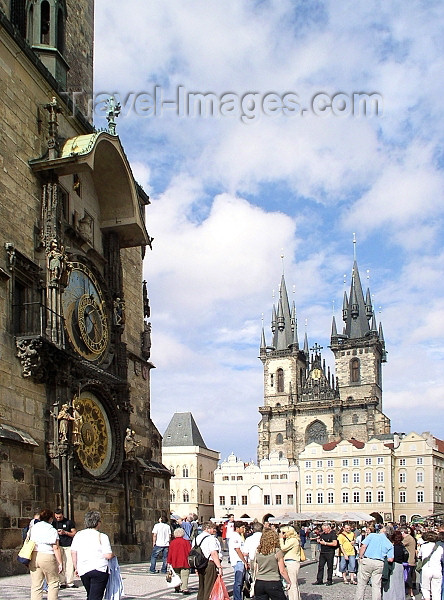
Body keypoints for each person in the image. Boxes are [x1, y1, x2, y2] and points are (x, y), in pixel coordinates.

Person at [71, 510, 113, 600]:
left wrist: (76, 567)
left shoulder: (78, 535)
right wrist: (113, 555)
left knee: (90, 594)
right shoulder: (102, 536)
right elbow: (108, 555)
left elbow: (74, 552)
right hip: (99, 568)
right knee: (96, 596)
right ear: (98, 523)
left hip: (83, 568)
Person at [29, 509, 63, 600]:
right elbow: (56, 547)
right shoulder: (51, 529)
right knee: (53, 582)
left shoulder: (34, 527)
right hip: (47, 555)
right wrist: (60, 563)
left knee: (36, 585)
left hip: (34, 555)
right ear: (50, 519)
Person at [355, 527, 394, 600]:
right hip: (379, 563)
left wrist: (360, 557)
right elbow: (390, 559)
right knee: (376, 586)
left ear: (383, 530)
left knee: (361, 584)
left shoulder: (372, 535)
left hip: (368, 560)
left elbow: (363, 546)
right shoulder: (389, 544)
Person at [254, 528, 291, 600]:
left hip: (259, 582)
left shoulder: (258, 551)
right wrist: (288, 581)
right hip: (273, 581)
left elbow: (256, 568)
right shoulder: (276, 551)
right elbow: (282, 570)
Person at [194, 521, 223, 600]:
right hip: (209, 564)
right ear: (207, 529)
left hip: (199, 563)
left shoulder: (196, 538)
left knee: (202, 586)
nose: (215, 530)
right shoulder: (211, 538)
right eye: (213, 528)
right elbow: (213, 553)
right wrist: (219, 567)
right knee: (209, 587)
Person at [52, 508, 77, 588]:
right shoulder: (53, 523)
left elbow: (74, 533)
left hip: (68, 545)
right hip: (58, 545)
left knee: (70, 563)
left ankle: (70, 582)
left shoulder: (69, 522)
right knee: (60, 563)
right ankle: (62, 582)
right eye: (57, 517)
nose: (58, 518)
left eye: (59, 517)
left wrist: (65, 532)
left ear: (62, 515)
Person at [382, 530, 409, 600]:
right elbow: (405, 556)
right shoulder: (402, 546)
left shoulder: (392, 547)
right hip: (400, 565)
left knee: (391, 584)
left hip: (392, 565)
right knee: (399, 584)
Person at [418, 531, 443, 600]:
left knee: (425, 589)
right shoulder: (440, 548)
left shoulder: (423, 546)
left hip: (426, 569)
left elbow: (419, 556)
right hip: (437, 569)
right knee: (437, 591)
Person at [167, 527, 191, 594]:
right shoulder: (186, 542)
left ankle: (177, 588)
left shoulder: (172, 542)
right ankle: (184, 588)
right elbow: (190, 551)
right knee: (185, 575)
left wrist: (169, 561)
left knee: (176, 575)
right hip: (184, 560)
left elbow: (170, 553)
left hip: (175, 561)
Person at [280, 525, 301, 600]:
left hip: (292, 562)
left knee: (292, 584)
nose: (282, 534)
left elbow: (283, 548)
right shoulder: (290, 540)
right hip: (289, 562)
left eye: (283, 532)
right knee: (291, 583)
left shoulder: (293, 540)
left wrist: (281, 539)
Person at [228, 521, 248, 600]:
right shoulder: (235, 536)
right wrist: (244, 561)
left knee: (241, 582)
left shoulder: (240, 536)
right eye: (242, 527)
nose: (244, 529)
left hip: (241, 561)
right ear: (237, 528)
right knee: (238, 582)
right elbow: (237, 549)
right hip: (238, 561)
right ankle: (237, 598)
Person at [401, 526, 417, 599]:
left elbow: (399, 544)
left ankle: (411, 593)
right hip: (410, 560)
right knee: (409, 576)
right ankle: (410, 592)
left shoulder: (407, 538)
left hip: (409, 560)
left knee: (408, 577)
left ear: (403, 532)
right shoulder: (410, 537)